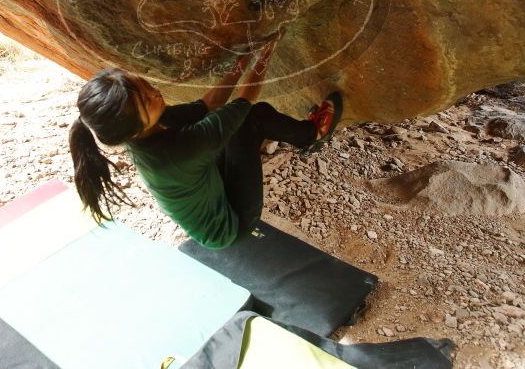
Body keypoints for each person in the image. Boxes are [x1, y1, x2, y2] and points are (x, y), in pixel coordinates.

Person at [68, 34, 343, 249]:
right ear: (132, 130)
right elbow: (243, 102)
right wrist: (264, 55)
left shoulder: (146, 128)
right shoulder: (175, 154)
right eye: (146, 99)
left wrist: (244, 56)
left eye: (144, 84)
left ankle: (303, 136)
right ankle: (311, 136)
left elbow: (207, 105)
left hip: (210, 185)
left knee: (235, 125)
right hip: (230, 224)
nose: (155, 93)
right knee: (252, 118)